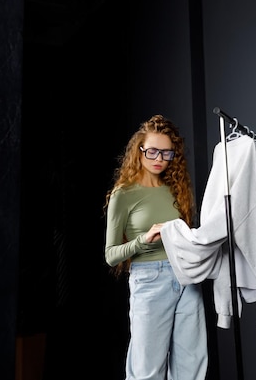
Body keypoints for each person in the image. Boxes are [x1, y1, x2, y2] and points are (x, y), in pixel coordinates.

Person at [104, 114, 208, 380]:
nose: (159, 159)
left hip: (186, 278)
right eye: (152, 151)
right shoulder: (123, 195)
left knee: (191, 369)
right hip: (149, 281)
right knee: (147, 372)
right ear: (139, 151)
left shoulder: (175, 189)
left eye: (166, 153)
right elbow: (111, 255)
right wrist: (143, 239)